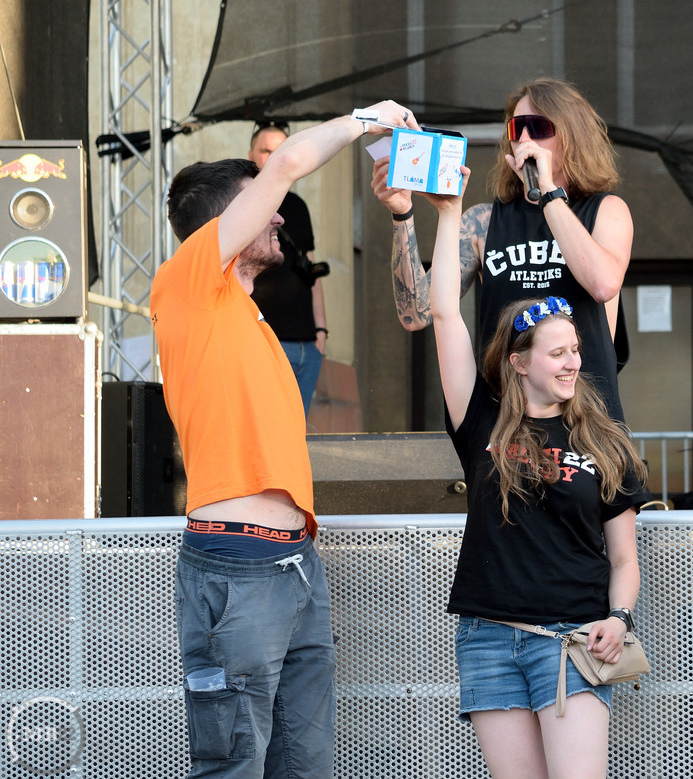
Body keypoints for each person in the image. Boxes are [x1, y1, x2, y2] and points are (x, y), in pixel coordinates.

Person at [151, 101, 416, 779]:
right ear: (225, 221)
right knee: (234, 763)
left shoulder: (249, 315)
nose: (278, 217)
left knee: (304, 763)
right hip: (238, 563)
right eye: (265, 204)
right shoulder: (187, 282)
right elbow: (291, 161)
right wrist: (368, 119)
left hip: (295, 563)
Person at [424, 164, 647, 779]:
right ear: (520, 362)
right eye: (558, 353)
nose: (574, 362)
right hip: (489, 637)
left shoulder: (606, 442)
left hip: (572, 640)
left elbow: (624, 559)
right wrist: (448, 214)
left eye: (576, 349)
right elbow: (444, 316)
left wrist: (619, 619)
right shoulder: (481, 420)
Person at [372, 76, 632, 420]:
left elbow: (603, 284)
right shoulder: (483, 221)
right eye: (515, 128)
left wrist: (547, 192)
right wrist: (402, 214)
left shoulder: (605, 210)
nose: (523, 139)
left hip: (586, 417)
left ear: (572, 135)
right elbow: (417, 314)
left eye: (537, 127)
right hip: (507, 418)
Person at [246, 122, 329, 414]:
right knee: (267, 429)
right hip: (264, 342)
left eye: (281, 150)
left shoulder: (298, 206)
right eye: (266, 151)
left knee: (297, 432)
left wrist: (321, 330)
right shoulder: (241, 204)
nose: (274, 158)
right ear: (250, 156)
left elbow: (312, 272)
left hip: (308, 344)